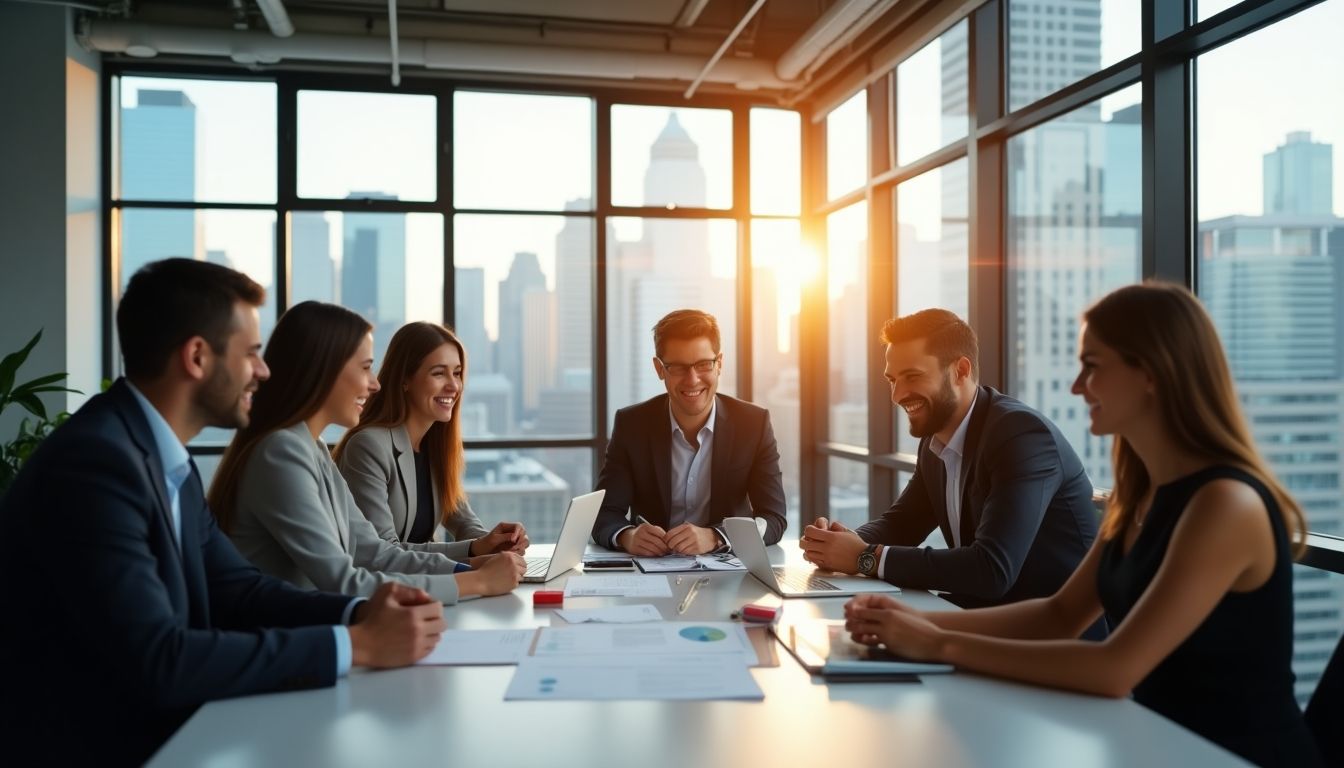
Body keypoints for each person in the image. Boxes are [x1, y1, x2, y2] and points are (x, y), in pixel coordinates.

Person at [843, 284, 1321, 767]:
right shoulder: (1138, 495)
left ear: (1151, 373)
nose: (1076, 386)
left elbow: (1116, 668)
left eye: (1092, 367)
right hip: (1150, 741)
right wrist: (908, 621)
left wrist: (936, 641)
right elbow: (1058, 615)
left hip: (1232, 756)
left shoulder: (1224, 503)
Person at [0, 259, 446, 766]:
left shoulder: (159, 457)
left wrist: (362, 612)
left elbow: (238, 589)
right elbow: (160, 658)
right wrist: (356, 645)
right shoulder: (97, 465)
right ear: (197, 357)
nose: (263, 371)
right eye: (252, 353)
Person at [208, 301, 524, 604]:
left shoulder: (312, 447)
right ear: (325, 371)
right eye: (366, 368)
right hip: (286, 641)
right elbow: (344, 581)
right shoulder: (281, 452)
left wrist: (470, 568)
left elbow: (372, 552)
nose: (374, 384)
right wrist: (476, 581)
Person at [799, 309, 1098, 612]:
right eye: (892, 380)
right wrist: (837, 544)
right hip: (980, 618)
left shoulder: (1020, 436)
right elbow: (904, 523)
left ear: (960, 371)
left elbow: (992, 569)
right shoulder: (936, 439)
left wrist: (864, 557)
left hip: (1048, 638)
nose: (897, 395)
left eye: (912, 376)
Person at [593, 308, 787, 556]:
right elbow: (605, 514)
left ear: (720, 364)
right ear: (659, 369)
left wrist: (717, 537)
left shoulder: (754, 424)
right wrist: (627, 536)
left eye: (704, 364)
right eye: (678, 367)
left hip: (728, 576)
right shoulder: (632, 425)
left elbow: (773, 518)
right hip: (652, 573)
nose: (693, 379)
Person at [334, 321, 528, 558]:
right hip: (385, 589)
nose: (453, 385)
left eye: (456, 373)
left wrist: (498, 542)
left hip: (423, 584)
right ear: (405, 379)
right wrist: (474, 548)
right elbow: (381, 551)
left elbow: (464, 521)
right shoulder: (369, 446)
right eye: (438, 373)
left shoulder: (434, 445)